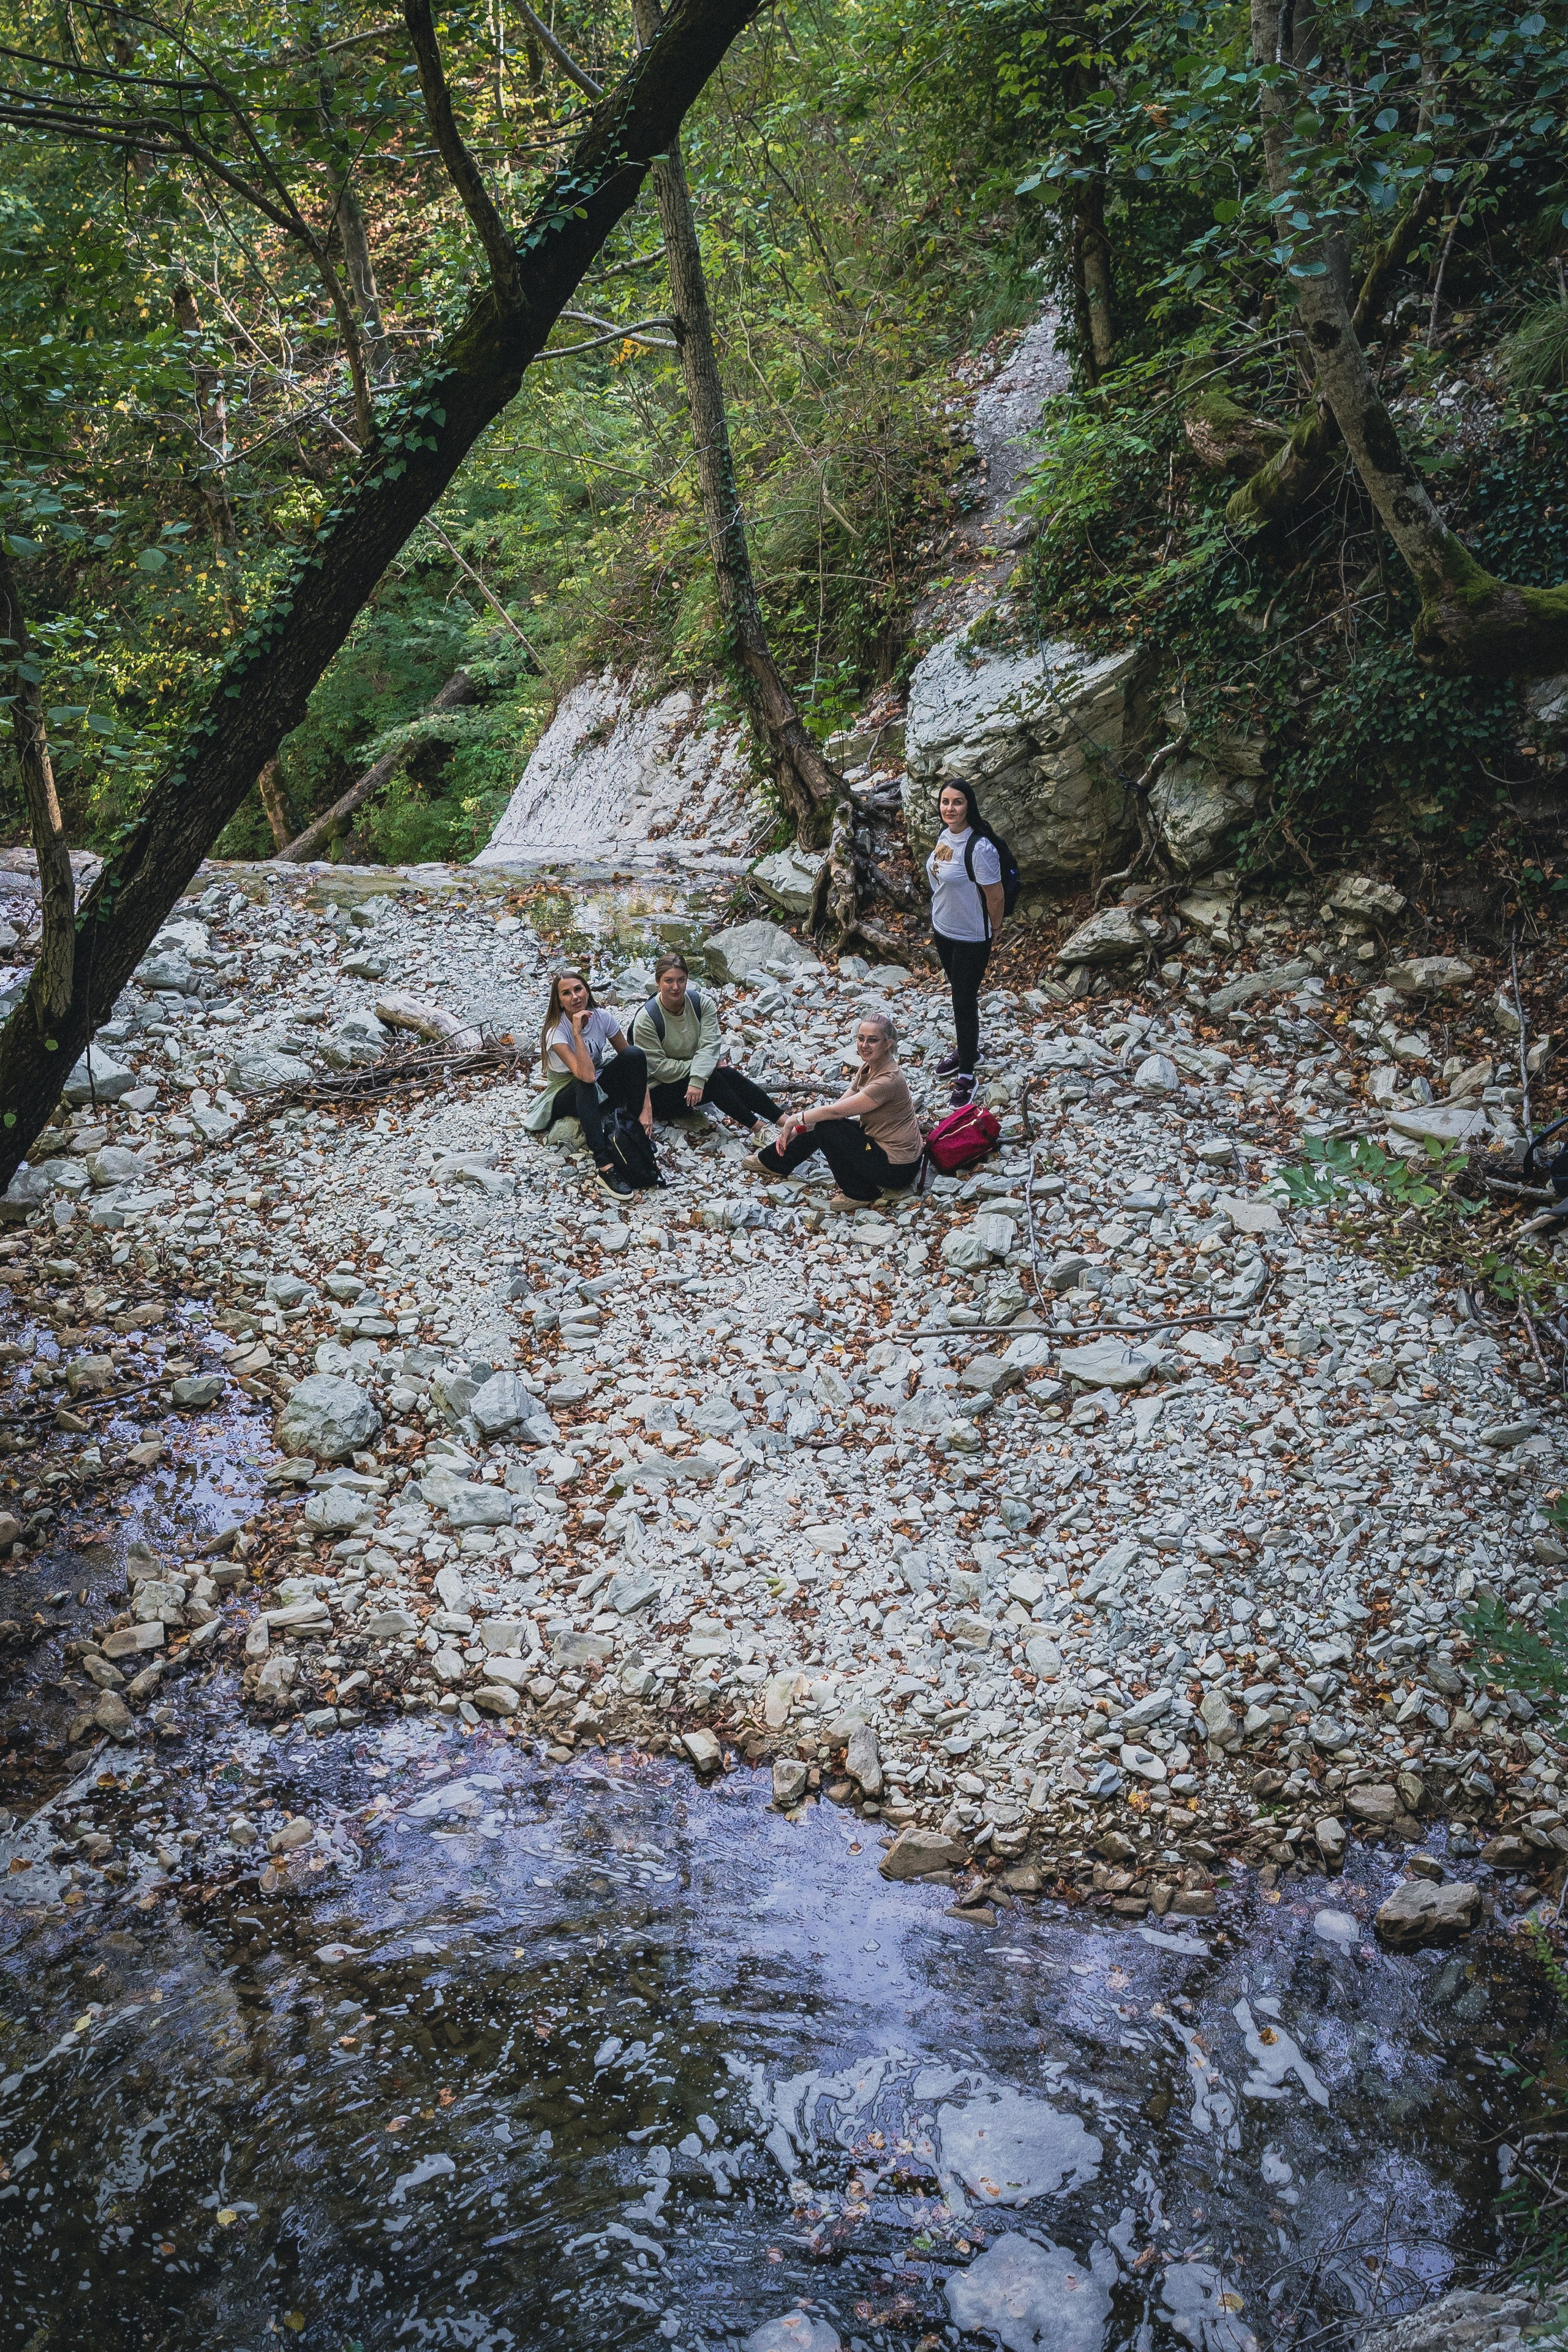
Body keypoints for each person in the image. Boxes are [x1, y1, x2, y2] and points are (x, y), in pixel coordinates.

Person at [741, 1010, 922, 1206]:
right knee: (824, 1123)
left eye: (873, 1040)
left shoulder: (888, 1080)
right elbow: (836, 1108)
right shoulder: (871, 1065)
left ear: (888, 1044)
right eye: (861, 1038)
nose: (864, 1045)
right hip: (883, 1149)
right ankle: (775, 1162)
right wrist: (799, 1129)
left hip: (897, 1168)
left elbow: (835, 1112)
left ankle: (860, 1193)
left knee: (827, 1128)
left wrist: (793, 1120)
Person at [522, 969, 650, 1199]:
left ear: (587, 991)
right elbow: (586, 1075)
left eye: (578, 989)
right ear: (559, 1001)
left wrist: (646, 1108)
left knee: (635, 1055)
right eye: (566, 993)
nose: (575, 997)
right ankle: (604, 1165)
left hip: (596, 1081)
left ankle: (629, 1132)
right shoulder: (555, 1031)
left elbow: (634, 1062)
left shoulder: (602, 1017)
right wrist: (577, 1033)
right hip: (565, 1093)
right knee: (586, 1083)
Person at [631, 952, 781, 1140]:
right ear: (658, 982)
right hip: (659, 1093)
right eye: (669, 981)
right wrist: (700, 1071)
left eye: (681, 980)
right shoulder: (646, 1019)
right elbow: (659, 1068)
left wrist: (699, 1074)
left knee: (726, 1073)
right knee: (713, 1078)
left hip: (688, 1082)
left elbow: (710, 1045)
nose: (676, 987)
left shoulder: (701, 1004)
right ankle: (760, 1130)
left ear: (687, 980)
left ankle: (783, 1120)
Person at [927, 778, 1006, 1105]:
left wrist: (995, 929)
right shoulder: (945, 836)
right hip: (943, 928)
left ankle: (967, 1073)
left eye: (957, 802)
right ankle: (968, 1049)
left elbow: (995, 895)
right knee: (959, 994)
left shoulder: (980, 848)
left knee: (963, 999)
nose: (950, 808)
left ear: (969, 806)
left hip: (972, 936)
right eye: (945, 802)